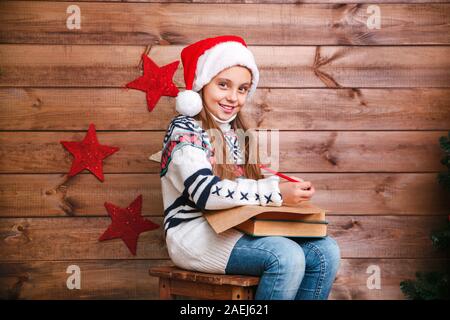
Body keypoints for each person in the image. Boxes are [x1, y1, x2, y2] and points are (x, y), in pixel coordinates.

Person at [160, 35, 340, 300]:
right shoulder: (184, 129)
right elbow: (205, 192)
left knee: (326, 251)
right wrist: (275, 193)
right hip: (194, 234)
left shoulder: (234, 130)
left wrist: (282, 184)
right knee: (285, 256)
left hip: (236, 226)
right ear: (201, 85)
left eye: (242, 89)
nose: (233, 97)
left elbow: (244, 179)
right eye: (223, 85)